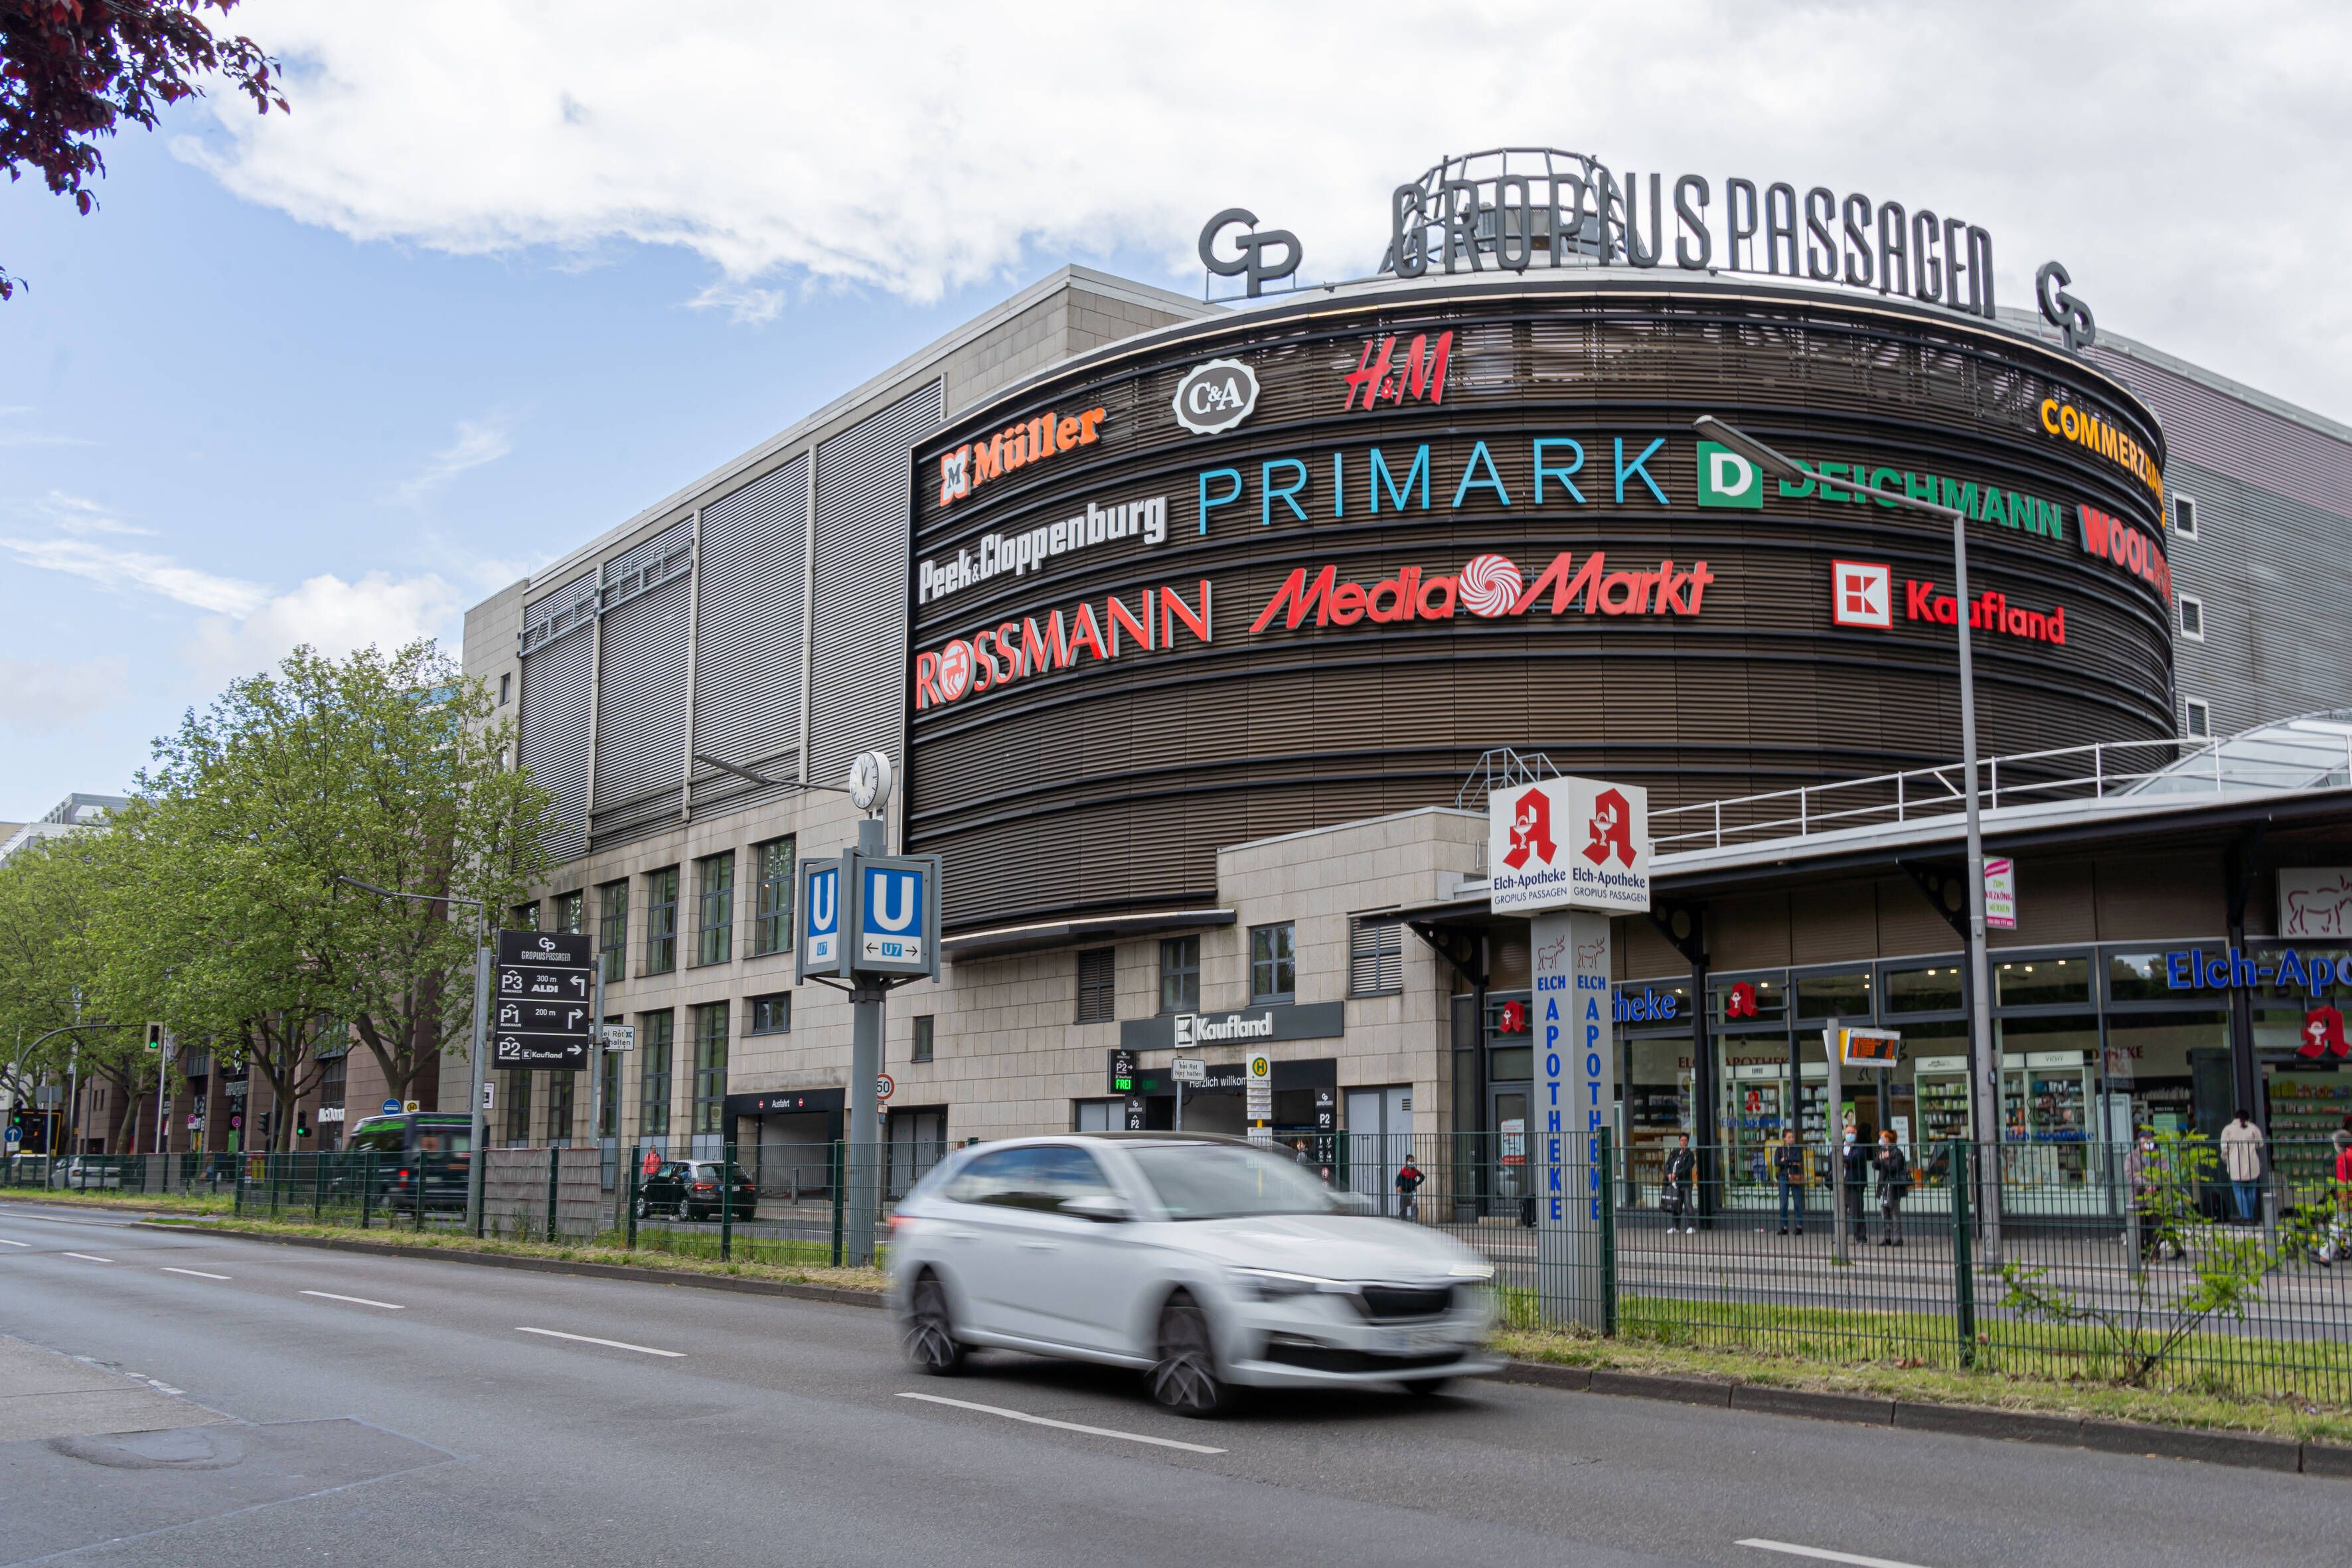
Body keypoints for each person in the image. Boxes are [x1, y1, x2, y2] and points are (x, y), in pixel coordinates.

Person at [2219, 1109, 2265, 1224]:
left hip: (2236, 1164)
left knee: (2239, 1191)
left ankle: (2245, 1217)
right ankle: (2250, 1217)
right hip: (2252, 1164)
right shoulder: (2253, 1128)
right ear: (2248, 1118)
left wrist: (2225, 1159)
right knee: (2251, 1191)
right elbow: (2260, 1144)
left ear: (2235, 1118)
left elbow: (2224, 1148)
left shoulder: (2228, 1129)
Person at [1871, 1129, 1909, 1246]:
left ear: (1887, 1139)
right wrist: (1882, 1159)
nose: (1881, 1140)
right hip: (1883, 1185)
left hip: (1893, 1186)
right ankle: (1887, 1237)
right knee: (1884, 1211)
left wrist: (1884, 1160)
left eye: (1882, 1138)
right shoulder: (1882, 1151)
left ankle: (1898, 1238)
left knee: (1895, 1212)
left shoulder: (1897, 1152)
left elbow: (1895, 1167)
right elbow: (1875, 1164)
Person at [1661, 1134, 1697, 1235]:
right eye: (1681, 1140)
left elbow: (1688, 1168)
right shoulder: (1674, 1153)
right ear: (1679, 1141)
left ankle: (1692, 1226)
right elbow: (1667, 1164)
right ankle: (1675, 1227)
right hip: (1674, 1184)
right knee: (1676, 1204)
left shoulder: (1690, 1155)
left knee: (1688, 1204)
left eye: (1685, 1140)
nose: (1683, 1142)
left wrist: (1676, 1174)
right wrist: (1669, 1175)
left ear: (1688, 1142)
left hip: (1685, 1183)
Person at [1841, 1127, 1871, 1245]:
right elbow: (1832, 1158)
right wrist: (1844, 1160)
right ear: (1844, 1133)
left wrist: (1843, 1159)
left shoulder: (1859, 1147)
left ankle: (1861, 1238)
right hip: (1841, 1184)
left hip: (1854, 1184)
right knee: (1840, 1213)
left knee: (1857, 1212)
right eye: (1848, 1132)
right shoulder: (1840, 1146)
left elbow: (1852, 1160)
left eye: (1853, 1133)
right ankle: (1840, 1237)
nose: (1850, 1135)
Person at [1772, 1129, 1806, 1236]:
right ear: (1784, 1139)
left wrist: (1786, 1161)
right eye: (1789, 1137)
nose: (1792, 1139)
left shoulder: (1797, 1149)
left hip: (1795, 1177)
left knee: (1797, 1202)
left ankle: (1799, 1226)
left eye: (1792, 1137)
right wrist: (1791, 1162)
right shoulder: (1779, 1149)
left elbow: (1798, 1160)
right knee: (1784, 1203)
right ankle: (1784, 1227)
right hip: (1783, 1177)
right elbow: (1777, 1162)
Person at [1393, 1154, 1424, 1221]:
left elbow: (1422, 1177)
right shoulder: (1403, 1170)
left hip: (1412, 1191)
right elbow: (1398, 1179)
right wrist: (1398, 1186)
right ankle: (1403, 1220)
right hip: (1404, 1191)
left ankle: (1414, 1221)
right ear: (1406, 1162)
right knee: (1403, 1207)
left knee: (1414, 1204)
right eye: (1410, 1161)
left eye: (1413, 1161)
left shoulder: (1415, 1171)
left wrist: (1416, 1184)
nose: (1412, 1162)